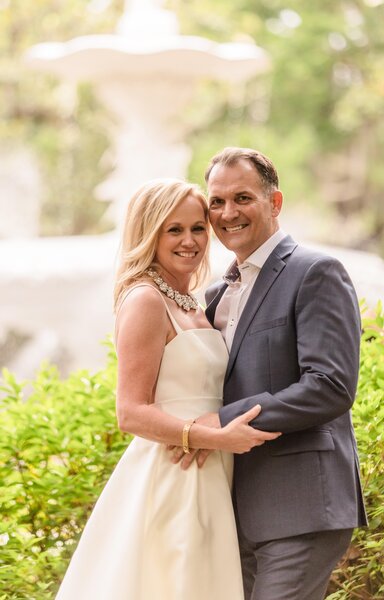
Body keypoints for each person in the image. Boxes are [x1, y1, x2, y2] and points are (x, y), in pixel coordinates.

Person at [55, 178, 281, 600]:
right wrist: (211, 436)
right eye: (173, 230)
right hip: (175, 476)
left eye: (198, 228)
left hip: (212, 473)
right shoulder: (145, 299)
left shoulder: (193, 301)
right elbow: (131, 412)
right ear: (149, 233)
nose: (190, 241)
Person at [181, 148, 368, 600]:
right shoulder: (212, 293)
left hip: (300, 505)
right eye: (218, 201)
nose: (228, 213)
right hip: (230, 508)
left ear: (275, 203)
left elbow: (330, 386)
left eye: (243, 198)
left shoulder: (315, 272)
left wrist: (224, 421)